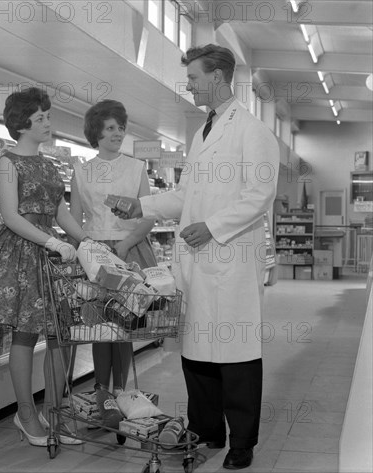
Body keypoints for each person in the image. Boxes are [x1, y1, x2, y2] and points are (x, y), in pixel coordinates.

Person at [111, 44, 279, 470]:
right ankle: (208, 431)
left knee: (236, 354)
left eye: (195, 78)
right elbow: (186, 194)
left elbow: (260, 196)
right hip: (196, 261)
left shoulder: (252, 130)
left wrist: (215, 226)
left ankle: (242, 441)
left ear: (218, 77)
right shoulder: (202, 131)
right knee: (196, 350)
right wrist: (141, 207)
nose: (189, 84)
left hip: (230, 257)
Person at [0, 87, 89, 447]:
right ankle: (27, 414)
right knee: (27, 334)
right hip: (24, 252)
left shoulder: (48, 165)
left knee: (61, 335)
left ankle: (57, 412)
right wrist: (53, 241)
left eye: (48, 115)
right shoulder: (7, 162)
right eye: (41, 117)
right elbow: (11, 216)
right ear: (22, 123)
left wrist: (86, 240)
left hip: (53, 254)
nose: (48, 122)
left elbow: (60, 211)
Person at [69, 100, 157, 426]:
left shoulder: (137, 168)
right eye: (109, 127)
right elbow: (76, 218)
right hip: (94, 255)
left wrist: (124, 244)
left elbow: (148, 216)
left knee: (123, 327)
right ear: (96, 132)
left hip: (128, 251)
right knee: (99, 327)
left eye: (120, 127)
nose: (117, 133)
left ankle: (120, 391)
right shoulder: (82, 170)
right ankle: (102, 393)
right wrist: (83, 246)